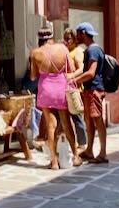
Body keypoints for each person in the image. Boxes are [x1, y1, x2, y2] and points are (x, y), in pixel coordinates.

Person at [30, 26, 82, 169]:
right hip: (61, 87)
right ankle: (76, 156)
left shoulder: (35, 53)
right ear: (52, 37)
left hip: (45, 89)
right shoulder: (62, 49)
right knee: (66, 122)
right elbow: (71, 69)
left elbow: (33, 76)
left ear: (39, 38)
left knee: (50, 125)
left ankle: (53, 162)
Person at [71, 22, 108, 164]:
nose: (77, 37)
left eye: (78, 34)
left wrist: (76, 81)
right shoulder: (90, 50)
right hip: (89, 90)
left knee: (98, 120)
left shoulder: (93, 50)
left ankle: (103, 153)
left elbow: (91, 72)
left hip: (94, 90)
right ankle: (90, 150)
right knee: (89, 121)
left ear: (84, 33)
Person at [63, 28, 88, 149]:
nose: (66, 41)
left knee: (76, 116)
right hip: (66, 87)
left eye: (68, 38)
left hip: (75, 88)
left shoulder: (77, 51)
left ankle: (82, 143)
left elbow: (81, 69)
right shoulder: (67, 51)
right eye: (65, 39)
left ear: (74, 39)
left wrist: (71, 76)